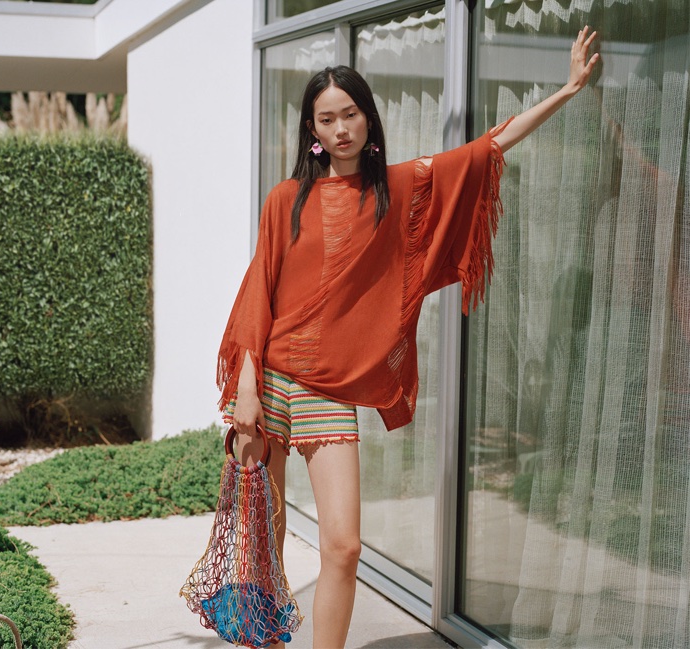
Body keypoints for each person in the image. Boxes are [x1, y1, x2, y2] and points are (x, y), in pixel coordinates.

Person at [218, 26, 600, 649]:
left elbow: (486, 148)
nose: (341, 128)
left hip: (328, 393)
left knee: (342, 546)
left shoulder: (397, 192)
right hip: (268, 385)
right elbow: (258, 294)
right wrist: (245, 391)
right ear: (311, 133)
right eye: (326, 119)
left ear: (367, 119)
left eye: (350, 114)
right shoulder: (286, 198)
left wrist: (568, 90)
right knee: (266, 543)